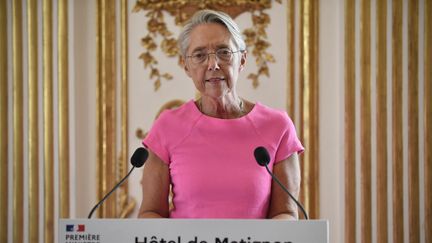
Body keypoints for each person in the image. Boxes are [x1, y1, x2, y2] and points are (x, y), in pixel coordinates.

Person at [138, 9, 304, 219]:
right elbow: (151, 213)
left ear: (242, 60)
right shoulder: (168, 125)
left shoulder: (277, 126)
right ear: (186, 66)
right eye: (199, 55)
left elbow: (285, 213)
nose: (213, 64)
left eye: (224, 52)